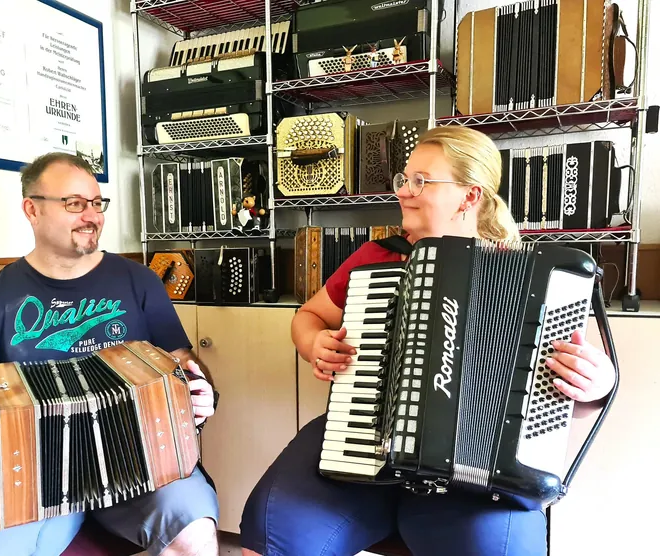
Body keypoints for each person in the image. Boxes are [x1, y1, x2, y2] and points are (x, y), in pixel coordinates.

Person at [239, 127, 617, 556]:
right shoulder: (377, 257)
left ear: (469, 196)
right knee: (273, 536)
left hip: (475, 482)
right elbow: (308, 317)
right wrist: (314, 344)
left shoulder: (535, 277)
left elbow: (570, 395)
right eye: (404, 179)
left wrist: (596, 382)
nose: (403, 191)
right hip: (360, 445)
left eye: (421, 181)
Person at [0, 152, 220, 556]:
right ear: (32, 210)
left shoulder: (140, 281)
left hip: (141, 462)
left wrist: (200, 389)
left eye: (96, 202)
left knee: (195, 531)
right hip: (31, 479)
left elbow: (183, 363)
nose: (92, 216)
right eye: (74, 203)